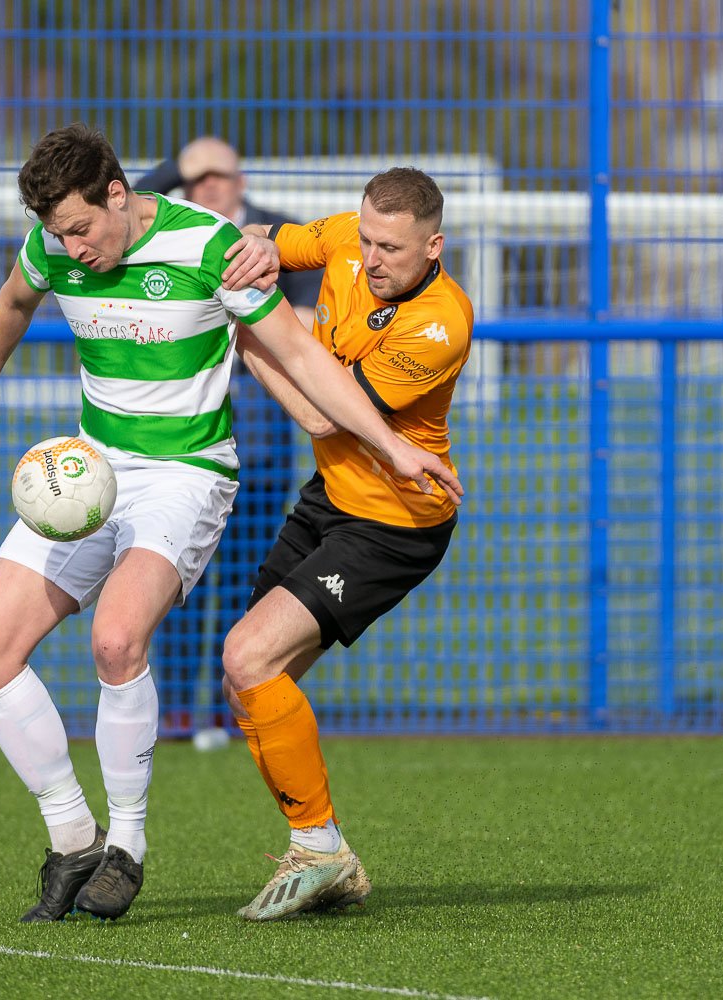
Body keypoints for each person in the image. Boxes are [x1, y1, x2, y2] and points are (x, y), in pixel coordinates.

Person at [0, 127, 462, 924]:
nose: (69, 247)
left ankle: (131, 847)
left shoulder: (430, 322)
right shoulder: (56, 247)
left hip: (210, 479)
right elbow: (15, 301)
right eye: (56, 233)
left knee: (127, 641)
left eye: (80, 227)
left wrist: (389, 443)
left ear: (118, 193)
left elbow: (307, 368)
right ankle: (73, 837)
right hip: (104, 469)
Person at [215, 167, 474, 920]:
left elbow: (324, 412)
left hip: (396, 524)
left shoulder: (440, 322)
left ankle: (320, 848)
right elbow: (266, 241)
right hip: (330, 501)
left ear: (433, 246)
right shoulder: (346, 244)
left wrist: (251, 330)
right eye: (365, 238)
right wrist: (250, 248)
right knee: (249, 683)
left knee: (247, 656)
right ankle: (326, 856)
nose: (371, 257)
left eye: (391, 246)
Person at [132, 138, 324, 735]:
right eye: (195, 178)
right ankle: (180, 710)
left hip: (261, 448)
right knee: (181, 577)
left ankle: (232, 700)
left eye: (219, 175)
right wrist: (173, 169)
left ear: (241, 182)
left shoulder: (278, 237)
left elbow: (307, 331)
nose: (207, 186)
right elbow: (117, 210)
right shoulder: (166, 239)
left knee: (250, 574)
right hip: (185, 444)